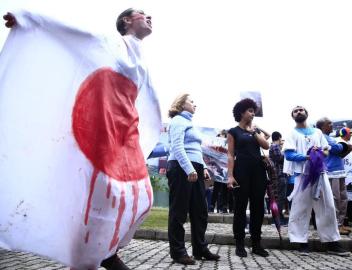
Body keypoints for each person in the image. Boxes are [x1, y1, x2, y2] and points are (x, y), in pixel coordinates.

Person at [2, 8, 161, 270]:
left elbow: (147, 101)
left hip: (125, 136)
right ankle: (96, 257)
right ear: (126, 21)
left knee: (143, 198)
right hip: (100, 136)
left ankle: (106, 253)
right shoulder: (109, 43)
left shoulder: (141, 56)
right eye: (142, 13)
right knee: (104, 197)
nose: (149, 17)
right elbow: (75, 35)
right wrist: (29, 18)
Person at [283, 106, 349, 256]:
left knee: (328, 206)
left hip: (320, 174)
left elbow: (326, 150)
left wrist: (319, 153)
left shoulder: (318, 132)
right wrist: (307, 157)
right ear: (292, 116)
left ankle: (332, 242)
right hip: (302, 175)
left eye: (301, 109)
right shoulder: (291, 134)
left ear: (307, 113)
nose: (299, 111)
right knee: (300, 208)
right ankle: (300, 242)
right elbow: (288, 155)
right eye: (295, 110)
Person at [166, 93, 220, 265]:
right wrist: (188, 168)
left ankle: (200, 248)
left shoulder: (189, 123)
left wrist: (202, 167)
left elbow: (195, 148)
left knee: (200, 211)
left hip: (194, 168)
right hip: (181, 167)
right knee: (179, 211)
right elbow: (177, 146)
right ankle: (178, 252)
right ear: (181, 104)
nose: (195, 104)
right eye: (191, 101)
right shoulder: (177, 120)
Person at [227, 98, 270, 257]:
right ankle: (239, 244)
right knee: (240, 208)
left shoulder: (255, 131)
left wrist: (254, 132)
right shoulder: (233, 131)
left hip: (258, 172)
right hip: (241, 171)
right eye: (250, 111)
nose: (253, 114)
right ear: (241, 112)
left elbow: (266, 146)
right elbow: (230, 155)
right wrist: (230, 176)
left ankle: (256, 244)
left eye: (254, 111)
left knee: (258, 208)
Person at [316, 120, 352, 235]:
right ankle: (335, 225)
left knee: (343, 198)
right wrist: (344, 146)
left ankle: (340, 224)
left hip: (339, 171)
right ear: (323, 126)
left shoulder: (330, 137)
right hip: (331, 172)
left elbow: (338, 150)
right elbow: (336, 149)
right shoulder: (322, 137)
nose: (332, 125)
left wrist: (343, 147)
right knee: (336, 199)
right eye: (329, 124)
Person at [268, 131, 288, 225]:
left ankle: (279, 217)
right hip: (278, 175)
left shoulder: (273, 146)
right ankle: (278, 219)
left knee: (279, 197)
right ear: (279, 138)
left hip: (277, 175)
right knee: (280, 197)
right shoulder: (275, 146)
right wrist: (286, 153)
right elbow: (279, 158)